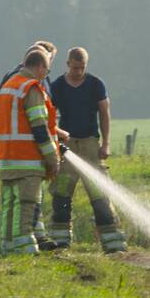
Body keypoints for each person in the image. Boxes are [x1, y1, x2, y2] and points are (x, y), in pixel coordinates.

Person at [48, 47, 127, 253]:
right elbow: (48, 116)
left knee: (99, 192)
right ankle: (60, 241)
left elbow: (104, 113)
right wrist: (55, 139)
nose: (78, 72)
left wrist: (106, 143)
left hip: (91, 143)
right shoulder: (57, 86)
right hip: (66, 144)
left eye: (82, 68)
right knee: (62, 192)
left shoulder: (96, 85)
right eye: (75, 68)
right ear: (67, 64)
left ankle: (113, 244)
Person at [0, 41, 65, 250]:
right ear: (39, 66)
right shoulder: (31, 88)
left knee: (9, 205)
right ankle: (24, 245)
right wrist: (53, 159)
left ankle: (7, 244)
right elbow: (39, 128)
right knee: (27, 202)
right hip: (27, 158)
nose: (46, 75)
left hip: (7, 159)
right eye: (47, 70)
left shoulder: (8, 86)